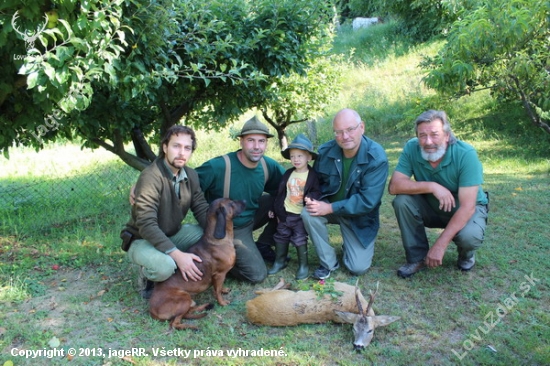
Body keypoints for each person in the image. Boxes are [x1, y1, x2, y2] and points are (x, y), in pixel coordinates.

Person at [388, 109, 489, 278]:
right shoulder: (411, 148)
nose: (428, 141)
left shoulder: (466, 154)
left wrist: (440, 245)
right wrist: (432, 186)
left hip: (464, 209)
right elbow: (394, 187)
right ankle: (417, 258)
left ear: (447, 135)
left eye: (435, 134)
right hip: (431, 206)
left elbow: (468, 207)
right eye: (422, 135)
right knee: (402, 201)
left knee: (469, 236)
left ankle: (466, 254)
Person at [121, 125, 209, 299]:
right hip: (141, 239)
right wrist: (178, 256)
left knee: (205, 235)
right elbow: (146, 224)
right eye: (176, 146)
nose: (182, 152)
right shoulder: (150, 177)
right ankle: (148, 275)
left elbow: (201, 208)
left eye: (187, 148)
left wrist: (222, 234)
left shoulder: (191, 175)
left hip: (170, 234)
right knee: (166, 267)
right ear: (165, 147)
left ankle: (182, 266)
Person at [195, 116, 285, 283]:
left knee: (283, 201)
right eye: (251, 140)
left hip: (252, 216)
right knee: (257, 275)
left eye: (261, 141)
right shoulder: (219, 166)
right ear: (241, 142)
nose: (257, 146)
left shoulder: (268, 165)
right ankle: (221, 260)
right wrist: (143, 187)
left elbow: (290, 184)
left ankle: (264, 244)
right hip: (229, 228)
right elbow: (185, 182)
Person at [301, 108, 389, 280]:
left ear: (362, 127)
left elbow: (367, 201)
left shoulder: (376, 157)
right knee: (308, 213)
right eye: (339, 132)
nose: (345, 136)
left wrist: (330, 207)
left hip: (358, 216)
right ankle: (328, 262)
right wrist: (311, 199)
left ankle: (349, 246)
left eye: (350, 130)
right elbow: (315, 182)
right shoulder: (325, 151)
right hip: (329, 207)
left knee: (357, 267)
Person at [268, 134, 322, 280]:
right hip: (285, 213)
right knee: (281, 235)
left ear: (308, 158)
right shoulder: (288, 174)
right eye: (293, 156)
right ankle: (280, 261)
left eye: (300, 156)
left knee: (299, 238)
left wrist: (310, 198)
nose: (296, 159)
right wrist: (274, 209)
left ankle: (303, 265)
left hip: (299, 215)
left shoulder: (312, 176)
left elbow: (317, 191)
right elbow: (280, 193)